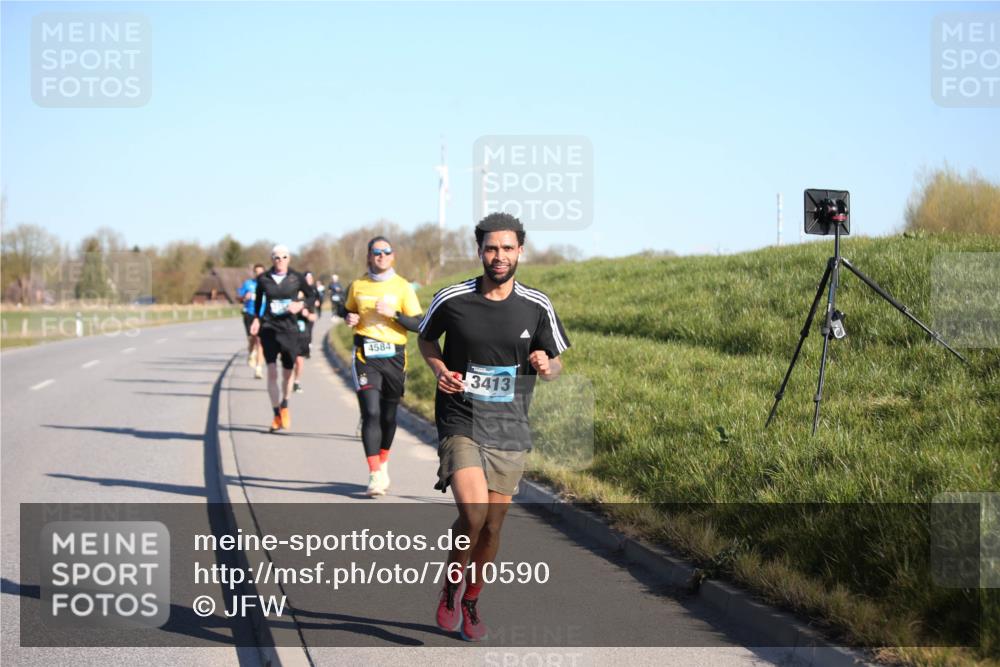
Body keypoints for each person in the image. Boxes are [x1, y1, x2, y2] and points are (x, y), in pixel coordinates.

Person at [417, 212, 569, 642]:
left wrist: (547, 364)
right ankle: (451, 586)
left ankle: (471, 599)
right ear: (479, 251)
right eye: (490, 248)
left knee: (492, 528)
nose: (498, 256)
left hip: (509, 426)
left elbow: (555, 361)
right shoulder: (452, 299)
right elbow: (426, 338)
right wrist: (439, 368)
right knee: (473, 512)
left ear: (520, 250)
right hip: (460, 415)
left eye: (506, 248)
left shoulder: (537, 305)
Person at [344, 237, 423, 496]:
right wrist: (349, 317)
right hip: (365, 356)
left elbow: (419, 324)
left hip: (395, 358)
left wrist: (394, 314)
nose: (380, 255)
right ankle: (374, 474)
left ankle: (383, 461)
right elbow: (346, 311)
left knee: (389, 417)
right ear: (368, 256)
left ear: (393, 256)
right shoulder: (357, 285)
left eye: (385, 252)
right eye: (375, 252)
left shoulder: (402, 287)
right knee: (371, 413)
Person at [249, 245, 312, 432]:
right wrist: (256, 320)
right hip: (269, 328)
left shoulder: (296, 278)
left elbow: (312, 295)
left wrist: (300, 305)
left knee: (286, 374)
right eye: (276, 257)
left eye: (284, 257)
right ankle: (276, 413)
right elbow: (259, 302)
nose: (280, 260)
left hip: (289, 329)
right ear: (271, 259)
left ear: (289, 259)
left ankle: (285, 404)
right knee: (272, 372)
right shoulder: (264, 279)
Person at [292, 271, 321, 393]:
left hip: (303, 334)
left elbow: (314, 317)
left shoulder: (309, 299)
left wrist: (307, 314)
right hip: (289, 332)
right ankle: (288, 380)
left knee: (299, 360)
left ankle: (296, 381)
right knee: (289, 360)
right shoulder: (291, 296)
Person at [239, 264, 265, 379]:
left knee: (261, 341)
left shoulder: (267, 285)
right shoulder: (248, 284)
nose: (258, 274)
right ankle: (251, 352)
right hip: (250, 313)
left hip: (263, 315)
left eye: (261, 272)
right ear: (253, 273)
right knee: (252, 338)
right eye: (256, 272)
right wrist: (245, 297)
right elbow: (238, 297)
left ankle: (259, 369)